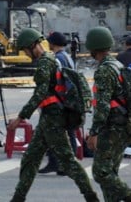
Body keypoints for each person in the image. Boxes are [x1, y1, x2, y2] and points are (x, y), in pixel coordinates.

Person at [6, 28, 99, 202]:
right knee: (30, 159)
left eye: (26, 49)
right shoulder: (51, 58)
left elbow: (39, 94)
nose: (26, 54)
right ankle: (18, 198)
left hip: (53, 118)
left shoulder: (44, 63)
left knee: (68, 161)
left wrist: (21, 117)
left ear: (34, 45)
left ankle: (91, 196)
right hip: (48, 117)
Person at [83, 26, 131, 202]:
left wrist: (94, 132)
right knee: (110, 172)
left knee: (100, 172)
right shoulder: (117, 64)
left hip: (113, 128)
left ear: (93, 48)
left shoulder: (105, 70)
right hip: (125, 125)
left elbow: (103, 105)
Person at [40, 31, 78, 175]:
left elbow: (63, 81)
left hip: (61, 101)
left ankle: (64, 165)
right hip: (67, 100)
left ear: (53, 44)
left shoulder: (59, 59)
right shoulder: (67, 57)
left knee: (64, 133)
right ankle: (56, 163)